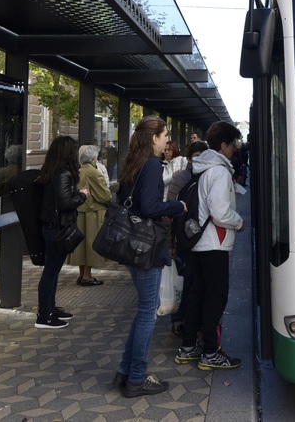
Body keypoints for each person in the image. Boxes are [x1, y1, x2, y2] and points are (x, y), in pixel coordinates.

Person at [112, 116, 187, 398]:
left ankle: (125, 371)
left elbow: (131, 202)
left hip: (131, 245)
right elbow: (149, 206)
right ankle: (136, 379)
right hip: (147, 247)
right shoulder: (153, 165)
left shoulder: (134, 161)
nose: (167, 140)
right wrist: (176, 205)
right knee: (148, 312)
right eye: (165, 135)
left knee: (145, 308)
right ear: (154, 138)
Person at [175, 121, 245, 370]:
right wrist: (239, 222)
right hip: (215, 242)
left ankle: (188, 347)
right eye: (233, 144)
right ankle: (210, 352)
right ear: (223, 145)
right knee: (216, 297)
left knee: (197, 294)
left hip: (198, 243)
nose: (235, 149)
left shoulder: (202, 168)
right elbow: (220, 212)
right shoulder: (220, 171)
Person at [36, 135, 89, 329]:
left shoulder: (51, 171)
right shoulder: (63, 173)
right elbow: (65, 202)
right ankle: (44, 316)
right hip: (58, 228)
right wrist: (82, 196)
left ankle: (50, 309)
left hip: (51, 227)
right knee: (51, 272)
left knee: (53, 270)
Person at [165, 140, 209, 337]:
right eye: (196, 157)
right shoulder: (182, 178)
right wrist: (169, 243)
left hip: (200, 239)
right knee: (186, 281)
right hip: (184, 239)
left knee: (195, 282)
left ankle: (190, 319)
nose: (199, 161)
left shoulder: (206, 176)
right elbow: (169, 212)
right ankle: (179, 321)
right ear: (189, 159)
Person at [67, 145, 111, 286]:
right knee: (91, 246)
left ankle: (82, 275)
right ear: (94, 157)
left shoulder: (77, 171)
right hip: (93, 213)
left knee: (81, 247)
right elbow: (104, 195)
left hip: (79, 212)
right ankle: (87, 276)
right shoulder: (94, 172)